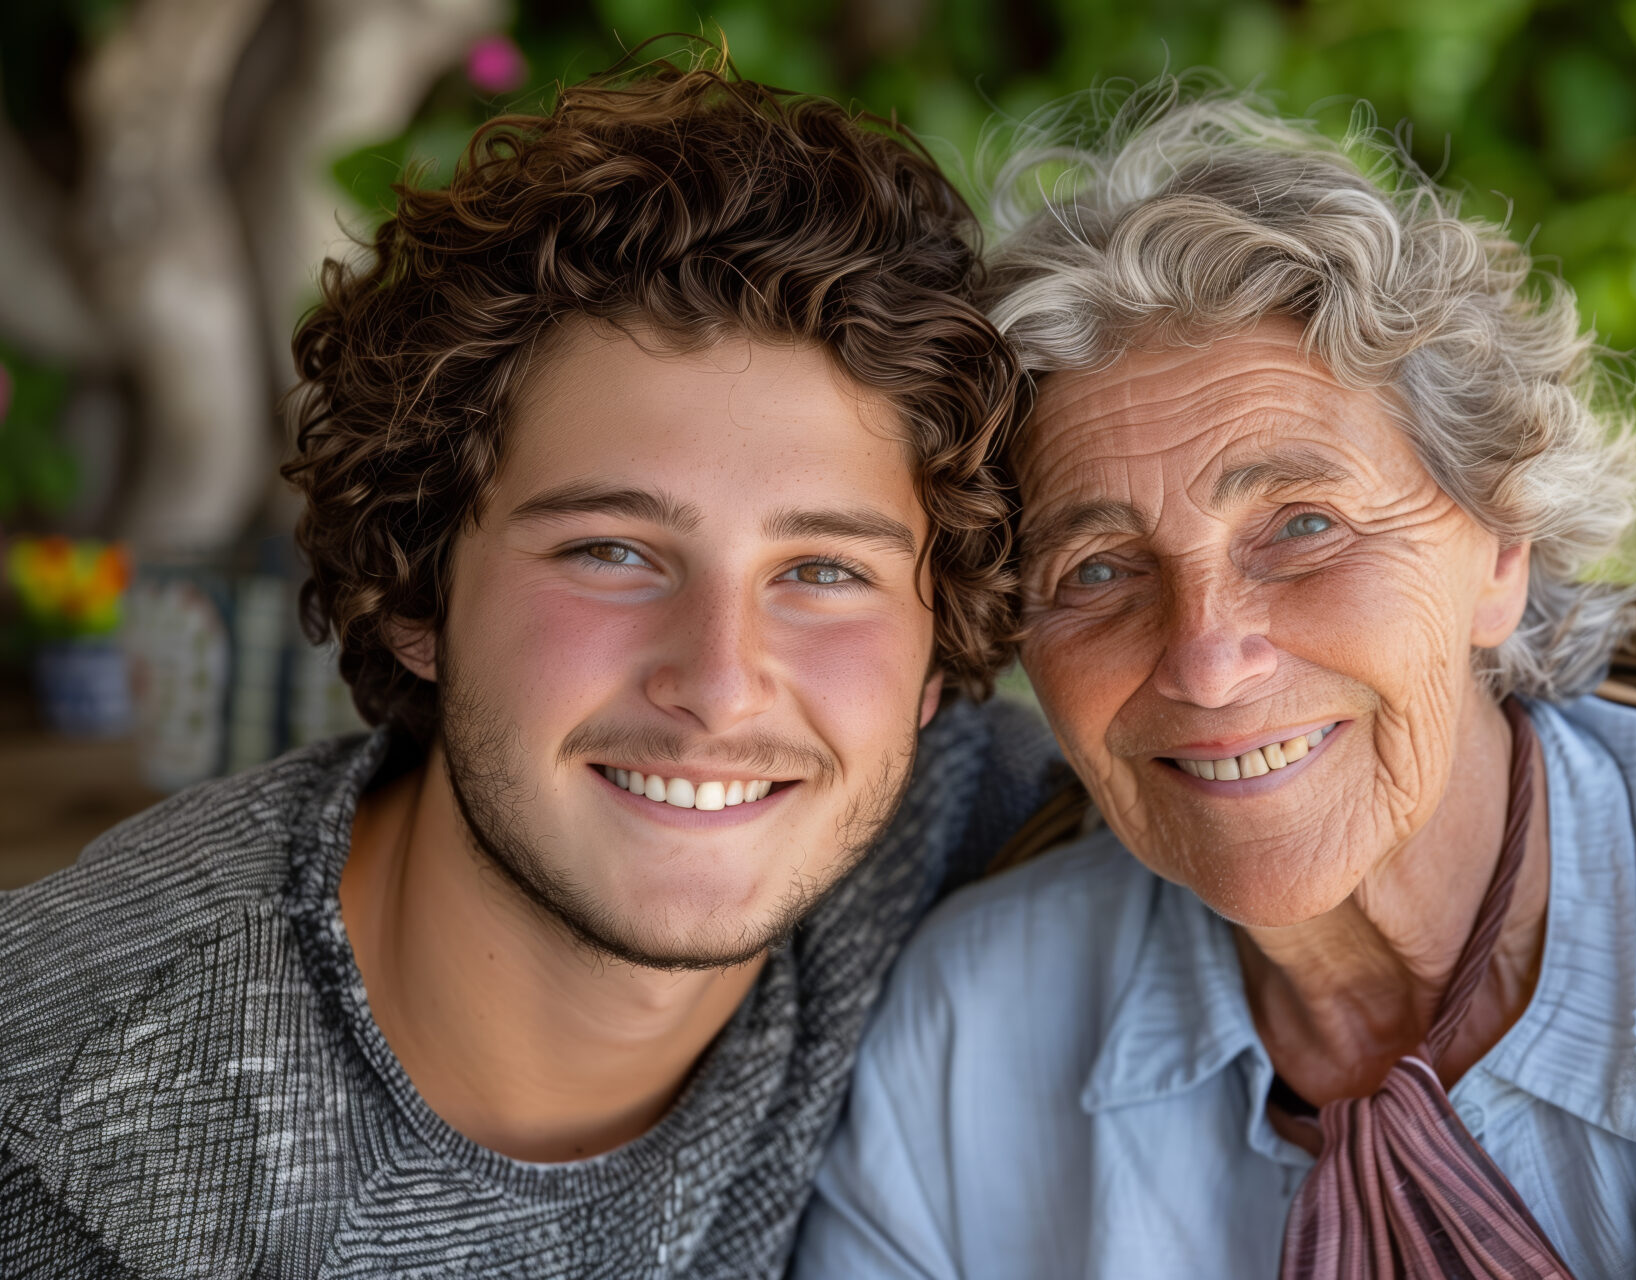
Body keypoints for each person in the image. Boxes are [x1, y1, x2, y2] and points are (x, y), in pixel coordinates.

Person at [796, 84, 1636, 1279]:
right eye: (1100, 567)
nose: (1209, 661)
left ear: (1499, 545)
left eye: (1302, 526)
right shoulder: (971, 1024)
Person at [0, 56, 1057, 1277]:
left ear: (939, 656)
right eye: (611, 550)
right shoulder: (72, 1152)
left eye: (825, 570)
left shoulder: (984, 829)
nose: (720, 683)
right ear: (415, 594)